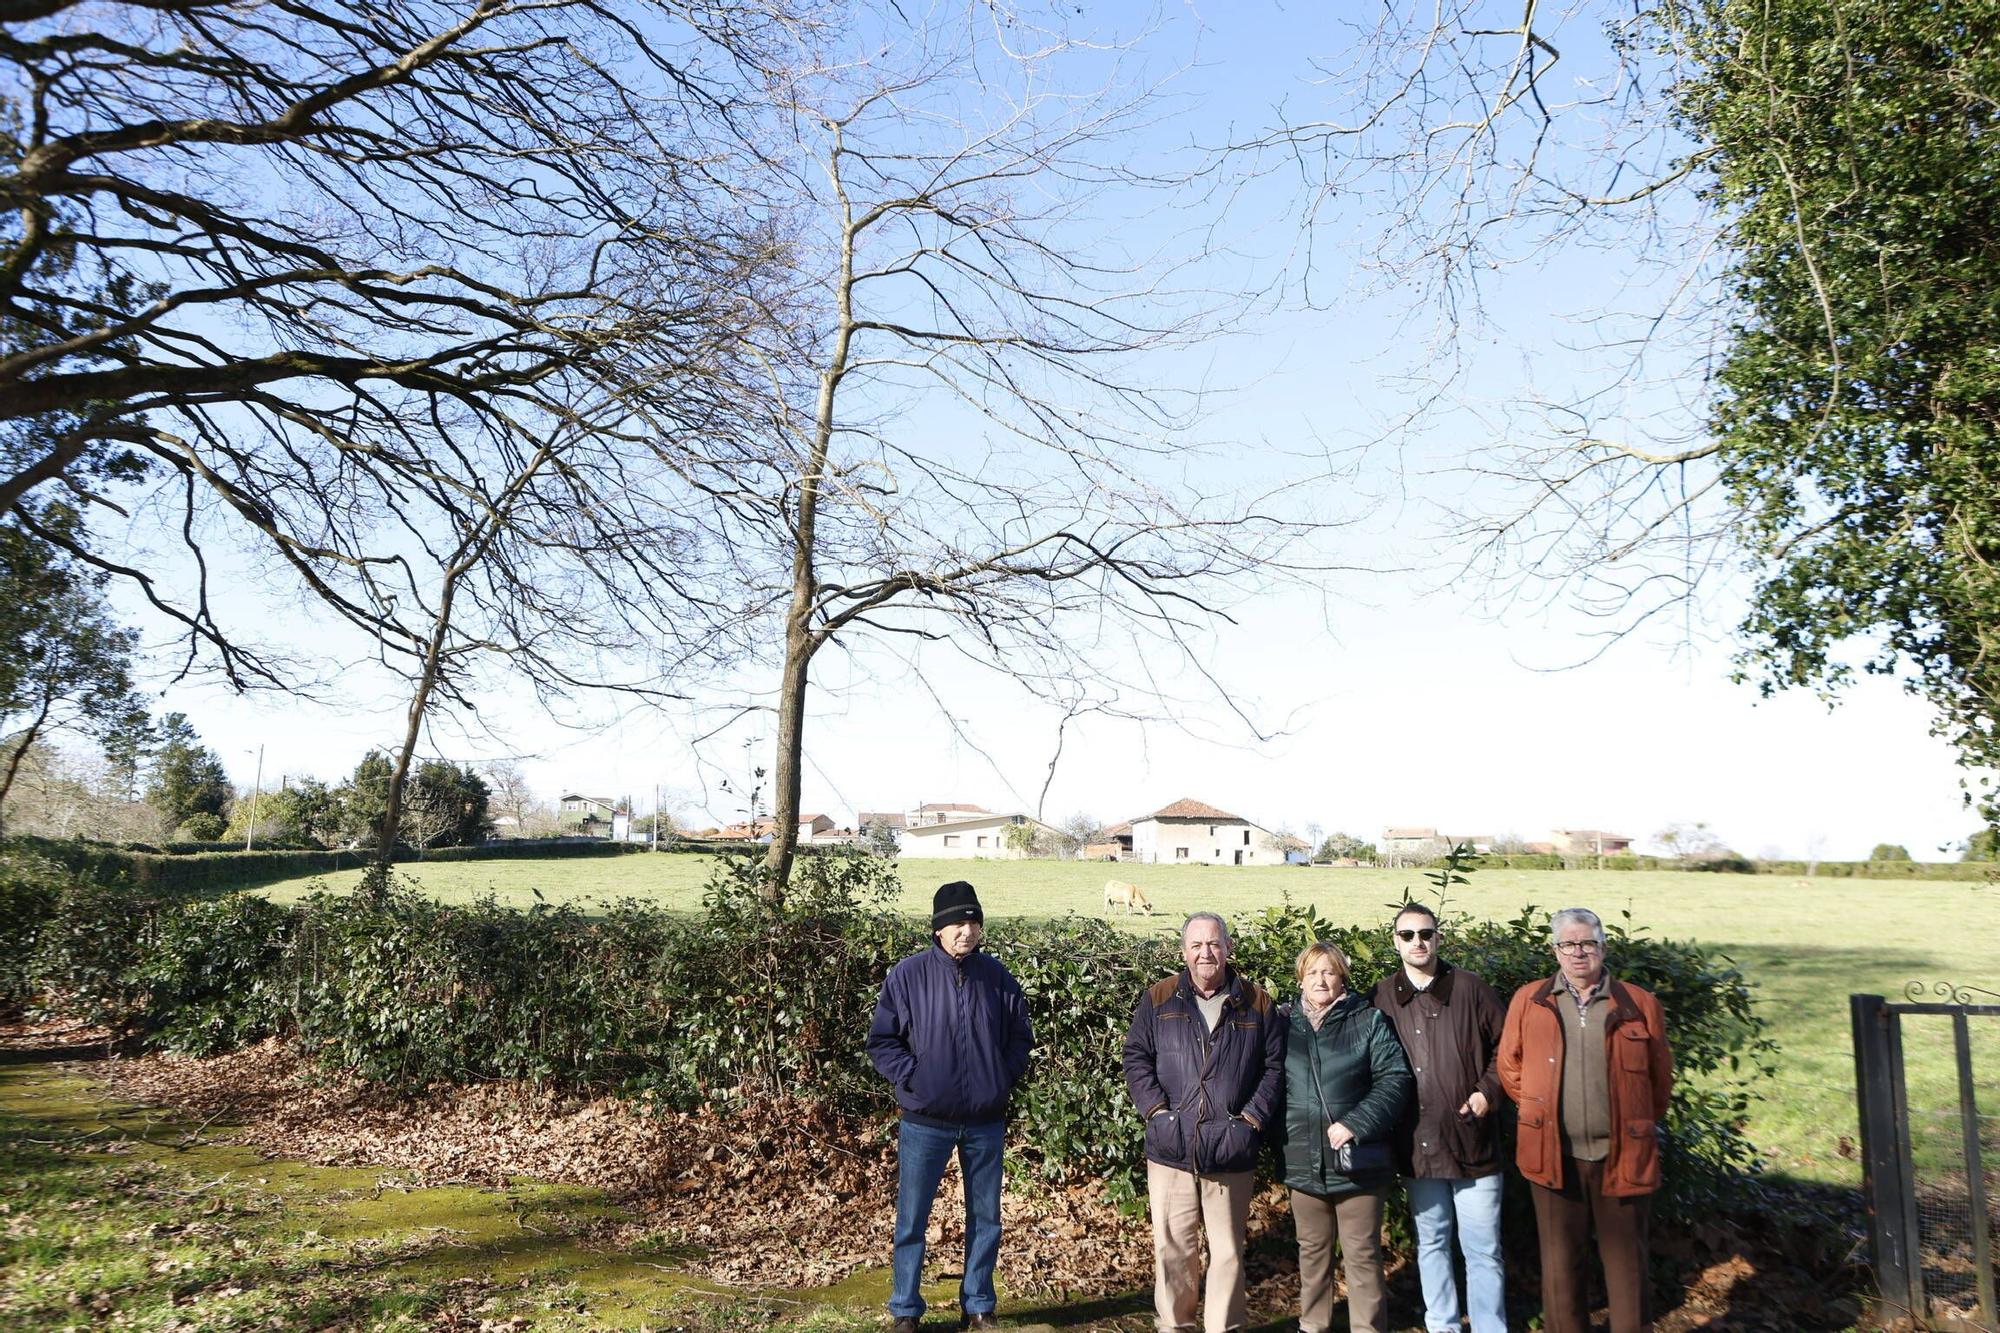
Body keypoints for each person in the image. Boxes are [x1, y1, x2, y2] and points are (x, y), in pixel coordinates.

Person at [867, 881, 1034, 1333]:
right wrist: (913, 1077)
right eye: (958, 922)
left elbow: (1021, 1036)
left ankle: (978, 1304)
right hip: (925, 1121)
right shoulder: (907, 975)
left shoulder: (997, 977)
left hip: (985, 1121)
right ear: (939, 929)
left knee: (986, 1217)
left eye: (974, 921)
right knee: (912, 1219)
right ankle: (905, 1309)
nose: (967, 930)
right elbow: (883, 1041)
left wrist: (1000, 1077)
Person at [1499, 907, 1674, 1333]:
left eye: (1587, 943)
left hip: (1623, 1156)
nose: (1578, 953)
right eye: (1568, 944)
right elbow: (1509, 1066)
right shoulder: (1530, 999)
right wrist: (1539, 1109)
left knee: (1627, 1267)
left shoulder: (1638, 1003)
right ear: (1555, 950)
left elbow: (1659, 1081)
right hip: (1553, 1156)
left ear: (1603, 946)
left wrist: (1631, 1121)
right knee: (1560, 1269)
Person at [1122, 911, 1283, 1333]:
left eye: (1214, 944)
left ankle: (1223, 1327)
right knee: (1173, 1248)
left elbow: (1274, 1068)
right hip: (1170, 1148)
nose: (1205, 953)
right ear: (1183, 951)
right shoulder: (1158, 998)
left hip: (1231, 1147)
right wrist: (1156, 1113)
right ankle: (1175, 1326)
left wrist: (1249, 1121)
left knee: (1228, 1250)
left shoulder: (1257, 1001)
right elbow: (1136, 1056)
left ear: (1228, 949)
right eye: (1196, 945)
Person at [1371, 902, 1510, 1333]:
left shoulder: (1471, 989)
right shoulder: (1382, 995)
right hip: (1417, 1144)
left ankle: (1489, 1326)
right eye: (1408, 935)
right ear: (1395, 941)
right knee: (1431, 1243)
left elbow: (1508, 1050)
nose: (1418, 942)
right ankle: (1443, 1325)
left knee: (1483, 1249)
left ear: (1439, 937)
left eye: (1426, 934)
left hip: (1473, 1141)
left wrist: (1488, 1092)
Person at [1279, 940, 1413, 1333]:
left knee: (1362, 1254)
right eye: (1313, 972)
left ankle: (1368, 1328)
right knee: (1312, 1253)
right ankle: (1313, 1325)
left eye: (1330, 972)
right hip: (1302, 1159)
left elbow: (1395, 1078)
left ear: (1343, 979)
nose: (1321, 979)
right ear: (1301, 978)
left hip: (1357, 1164)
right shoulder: (1284, 1024)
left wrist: (1357, 1123)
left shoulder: (1368, 1021)